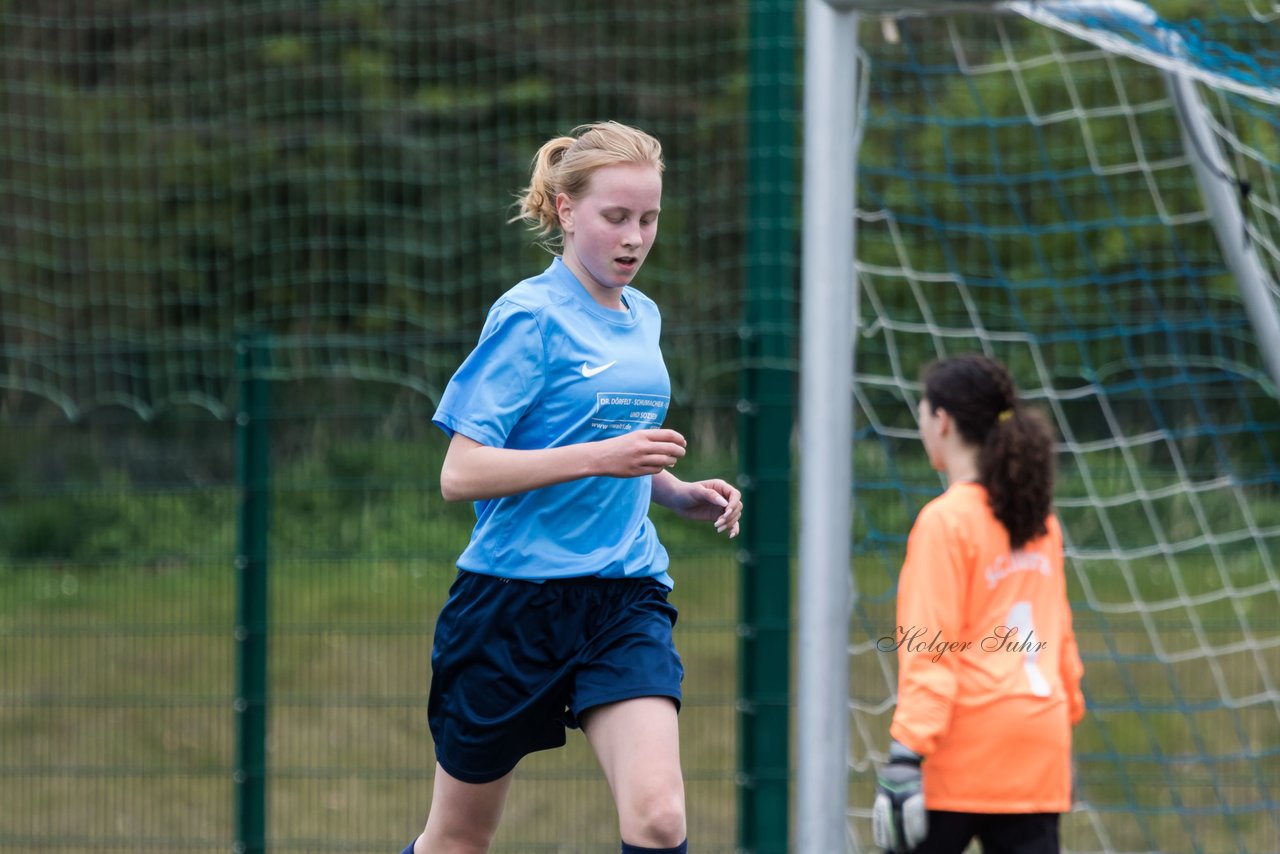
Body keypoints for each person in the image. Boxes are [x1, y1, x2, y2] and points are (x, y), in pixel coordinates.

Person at [400, 121, 743, 854]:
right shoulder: (528, 318)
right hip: (510, 604)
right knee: (458, 838)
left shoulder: (642, 315)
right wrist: (600, 457)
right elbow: (461, 474)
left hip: (624, 598)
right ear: (565, 210)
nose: (634, 237)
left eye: (648, 219)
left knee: (659, 820)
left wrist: (675, 493)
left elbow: (619, 457)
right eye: (615, 217)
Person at [873, 354, 1086, 854]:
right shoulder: (1040, 521)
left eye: (922, 413)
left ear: (942, 421)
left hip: (963, 750)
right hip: (1038, 747)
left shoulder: (945, 522)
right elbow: (1062, 645)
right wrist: (1065, 728)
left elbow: (930, 650)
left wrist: (906, 753)